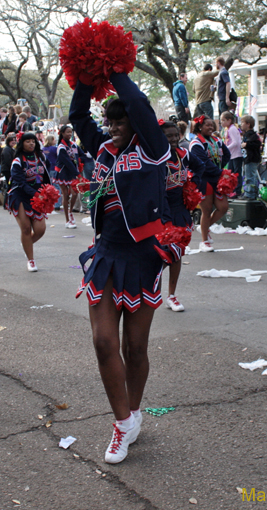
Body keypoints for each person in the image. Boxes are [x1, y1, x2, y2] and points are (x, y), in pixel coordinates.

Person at [69, 70, 171, 465]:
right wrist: (85, 73)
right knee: (103, 342)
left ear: (134, 122)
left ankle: (134, 411)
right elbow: (78, 116)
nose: (112, 128)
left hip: (143, 256)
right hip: (106, 254)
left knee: (135, 347)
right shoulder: (102, 149)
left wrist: (115, 71)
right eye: (109, 122)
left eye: (120, 121)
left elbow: (140, 105)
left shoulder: (152, 147)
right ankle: (123, 423)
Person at [159, 121, 203, 311]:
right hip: (161, 212)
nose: (174, 139)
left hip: (180, 210)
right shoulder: (155, 159)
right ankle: (148, 288)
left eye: (176, 135)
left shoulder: (183, 154)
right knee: (162, 254)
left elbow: (200, 166)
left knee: (177, 253)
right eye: (169, 136)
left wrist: (192, 186)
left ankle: (172, 296)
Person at [6, 132, 50, 272]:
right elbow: (20, 183)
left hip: (38, 196)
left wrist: (48, 191)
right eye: (27, 141)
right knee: (26, 229)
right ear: (22, 144)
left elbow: (46, 177)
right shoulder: (17, 161)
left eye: (33, 141)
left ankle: (26, 244)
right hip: (20, 195)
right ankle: (31, 260)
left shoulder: (41, 158)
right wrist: (36, 194)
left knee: (40, 230)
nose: (31, 143)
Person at [189, 116, 231, 250]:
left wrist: (220, 168)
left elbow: (227, 154)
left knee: (223, 207)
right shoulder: (196, 143)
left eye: (212, 125)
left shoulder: (217, 140)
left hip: (217, 178)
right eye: (207, 125)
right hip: (203, 179)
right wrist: (220, 172)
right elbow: (203, 163)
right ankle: (204, 241)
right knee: (206, 210)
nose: (211, 127)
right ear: (200, 127)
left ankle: (205, 228)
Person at [55, 125, 80, 229]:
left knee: (75, 193)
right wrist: (78, 174)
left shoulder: (74, 144)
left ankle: (70, 212)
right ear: (62, 133)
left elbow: (81, 155)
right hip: (63, 173)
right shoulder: (61, 147)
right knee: (65, 195)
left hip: (72, 173)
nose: (70, 134)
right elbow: (67, 162)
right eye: (67, 132)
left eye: (71, 132)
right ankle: (67, 220)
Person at [220, 111, 243, 195]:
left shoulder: (232, 129)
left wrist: (225, 149)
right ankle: (232, 190)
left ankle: (237, 191)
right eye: (221, 120)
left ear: (229, 120)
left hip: (236, 154)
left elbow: (235, 142)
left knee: (236, 173)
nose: (221, 122)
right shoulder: (228, 129)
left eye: (223, 120)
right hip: (232, 155)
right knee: (231, 173)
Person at [240, 115, 262, 200]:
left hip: (251, 159)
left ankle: (251, 194)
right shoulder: (247, 135)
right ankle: (250, 192)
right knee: (249, 176)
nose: (241, 124)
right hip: (247, 159)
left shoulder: (252, 135)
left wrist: (247, 144)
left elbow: (257, 144)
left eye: (243, 122)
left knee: (250, 177)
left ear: (248, 124)